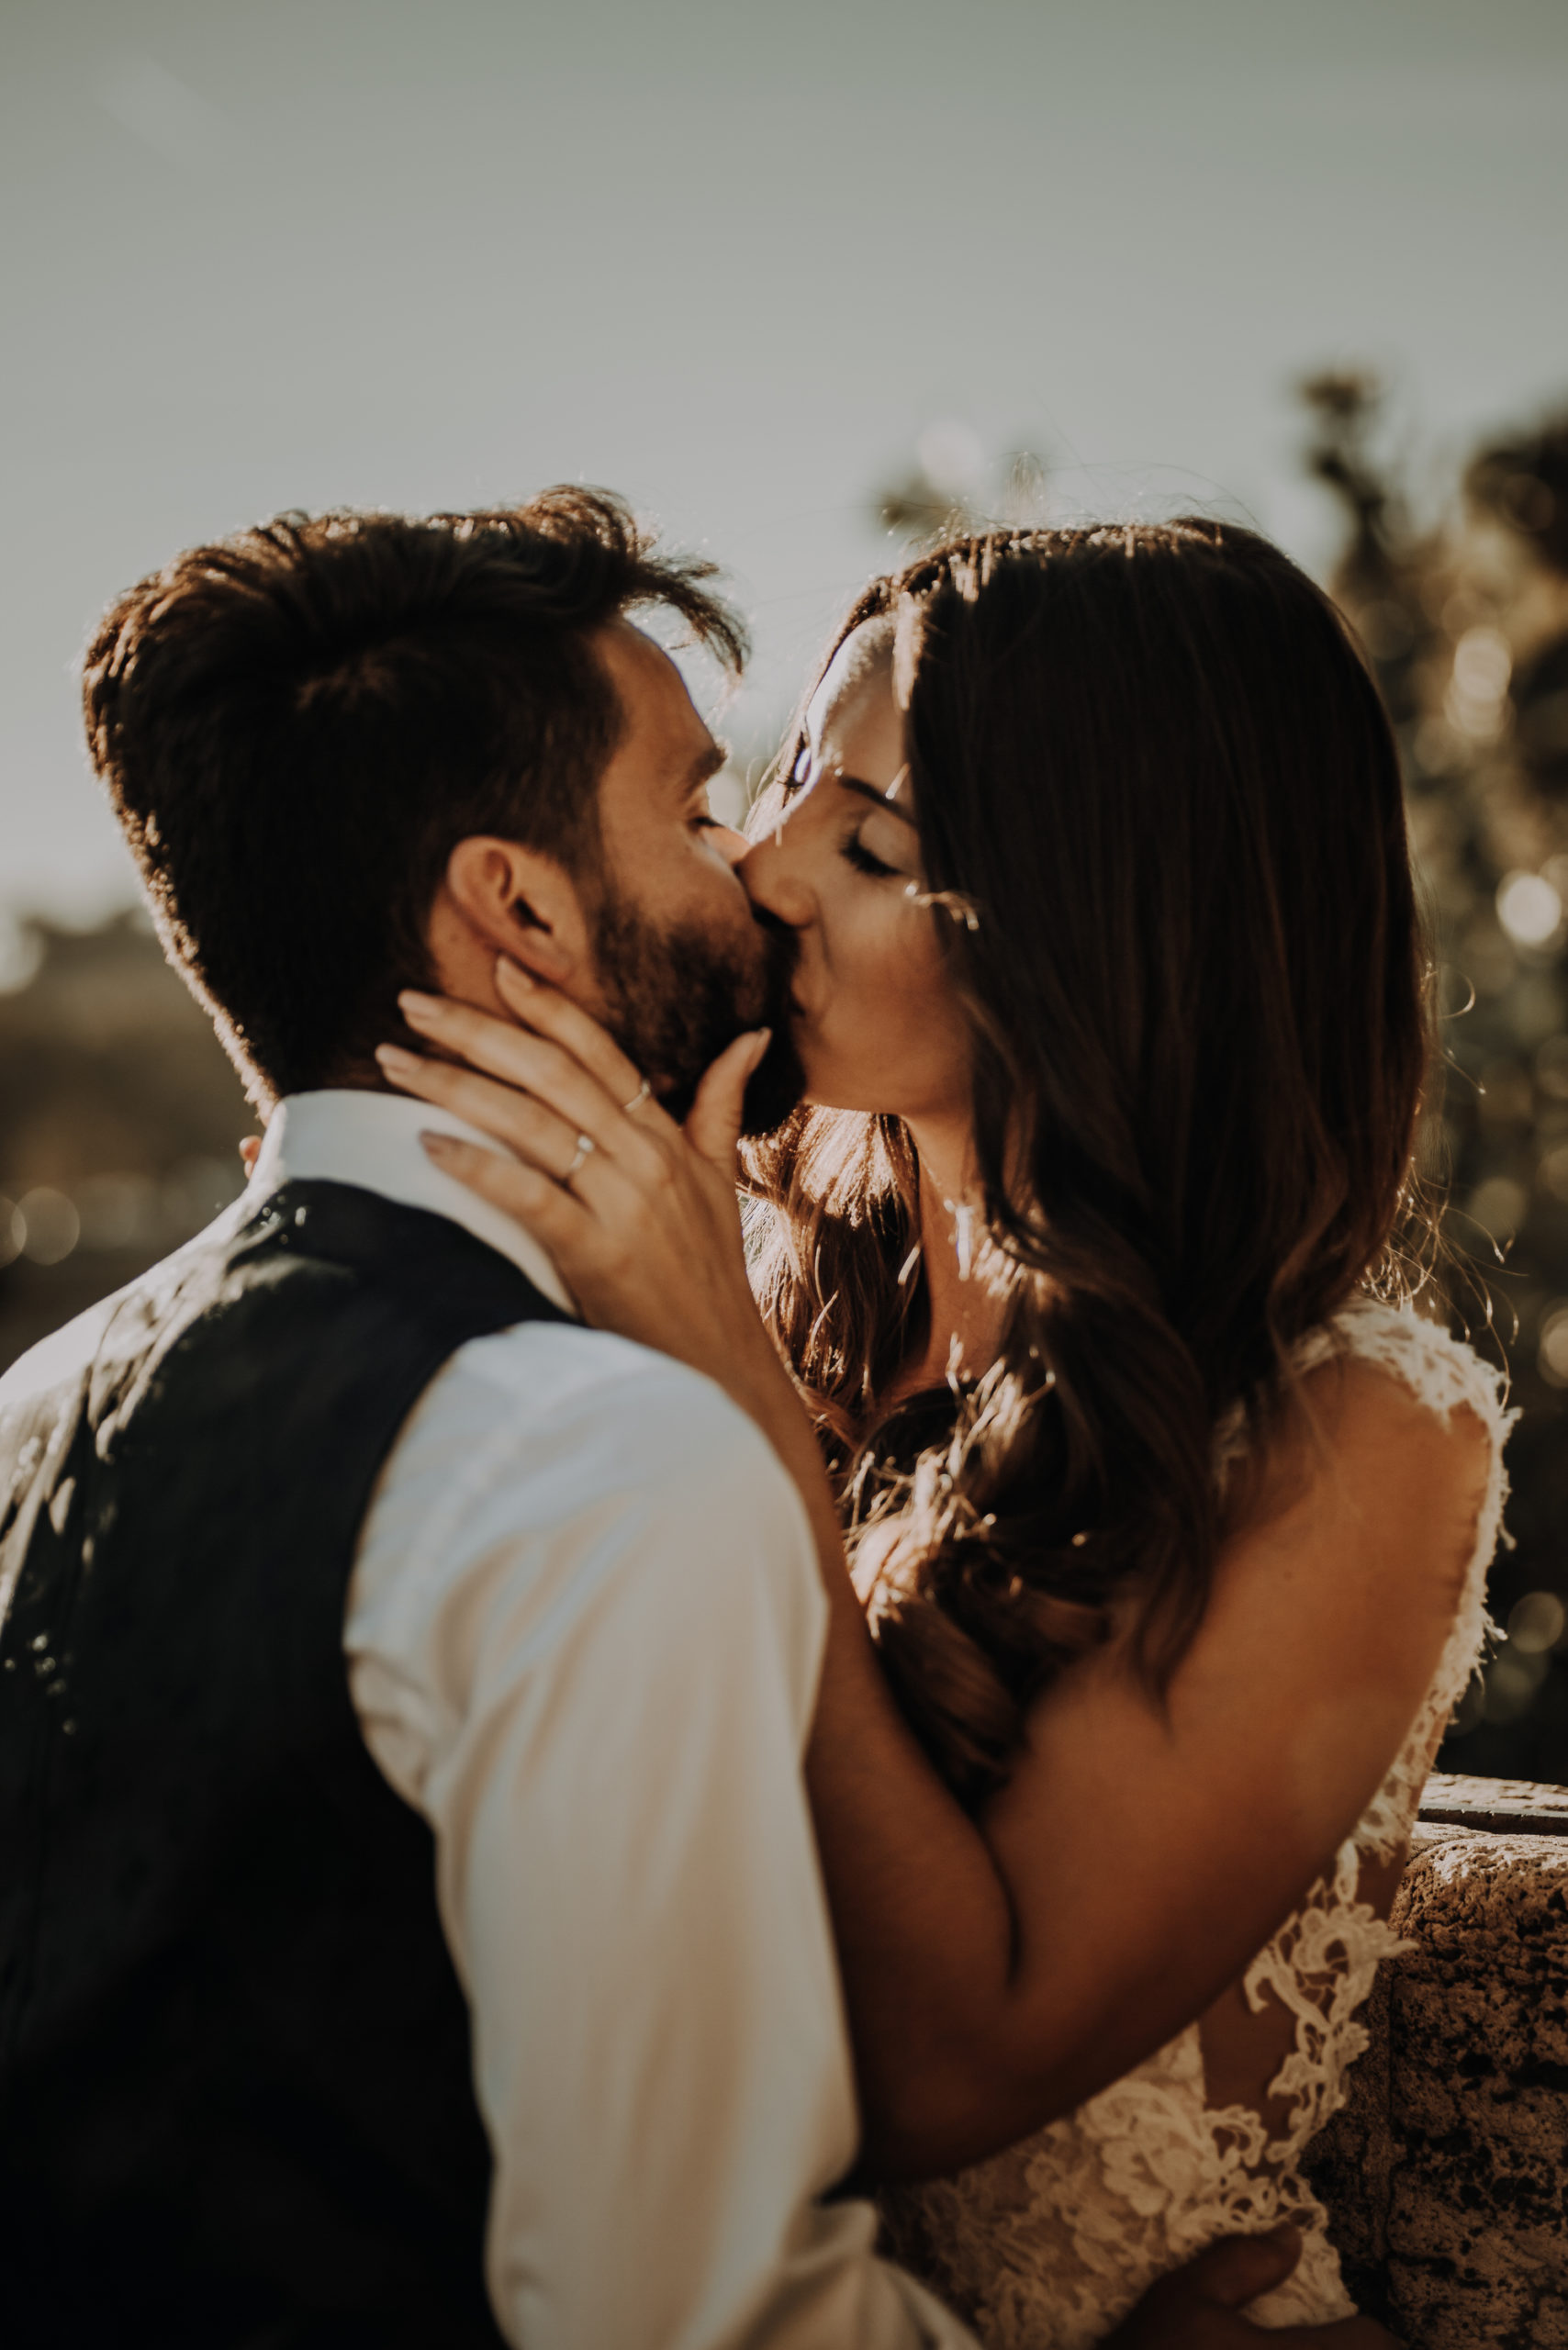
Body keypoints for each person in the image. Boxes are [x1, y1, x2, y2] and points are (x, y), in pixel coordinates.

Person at [0, 494, 1350, 2348]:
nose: (760, 866)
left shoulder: (31, 1410)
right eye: (711, 802)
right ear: (523, 909)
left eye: (838, 825)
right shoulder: (599, 1451)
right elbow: (695, 2316)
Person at [377, 519, 1506, 2345]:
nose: (761, 860)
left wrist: (718, 1383)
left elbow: (947, 2059)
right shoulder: (807, 1302)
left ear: (1104, 923)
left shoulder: (1360, 1429)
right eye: (795, 780)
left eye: (874, 842)